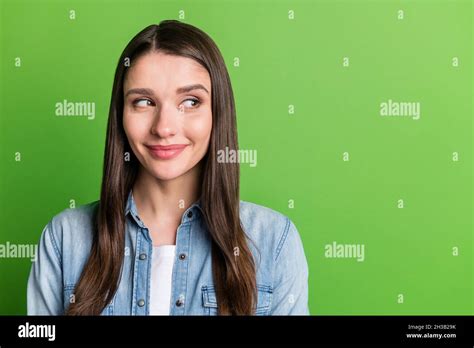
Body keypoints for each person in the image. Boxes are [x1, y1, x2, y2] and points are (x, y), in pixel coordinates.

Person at [27, 20, 309, 315]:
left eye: (190, 101)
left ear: (217, 112)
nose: (164, 127)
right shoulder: (64, 239)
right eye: (144, 101)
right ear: (120, 114)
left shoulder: (275, 241)